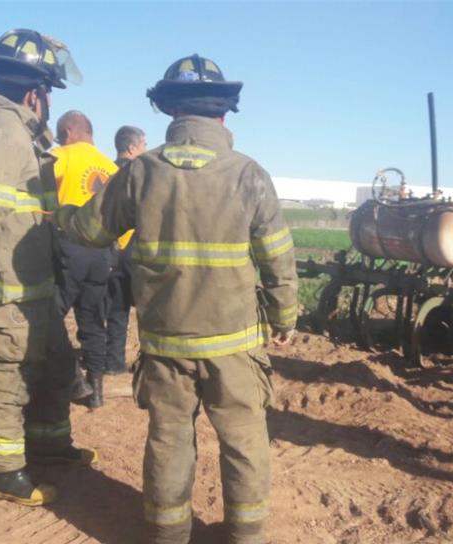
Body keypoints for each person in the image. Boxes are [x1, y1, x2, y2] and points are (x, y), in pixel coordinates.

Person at [55, 54, 298, 544]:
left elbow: (91, 230)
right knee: (245, 442)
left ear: (170, 114)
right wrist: (284, 315)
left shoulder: (140, 172)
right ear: (223, 116)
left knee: (168, 440)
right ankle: (245, 537)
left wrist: (56, 215)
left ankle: (167, 535)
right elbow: (278, 259)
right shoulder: (249, 174)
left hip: (167, 344)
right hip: (235, 345)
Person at [0, 28, 96, 506]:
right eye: (48, 91)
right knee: (9, 373)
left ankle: (50, 444)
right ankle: (1, 469)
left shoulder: (25, 136)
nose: (50, 101)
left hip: (36, 277)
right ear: (35, 93)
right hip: (12, 281)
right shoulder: (4, 135)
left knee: (55, 362)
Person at [50, 111, 120, 408]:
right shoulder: (112, 167)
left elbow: (38, 194)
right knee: (92, 318)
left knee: (50, 316)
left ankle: (70, 379)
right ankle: (97, 390)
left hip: (69, 246)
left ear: (68, 131)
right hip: (102, 253)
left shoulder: (61, 156)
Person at [103, 125, 146, 374]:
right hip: (135, 250)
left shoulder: (106, 172)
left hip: (110, 250)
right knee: (145, 309)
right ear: (132, 147)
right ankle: (147, 363)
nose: (145, 149)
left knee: (116, 309)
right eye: (144, 145)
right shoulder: (138, 174)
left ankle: (114, 362)